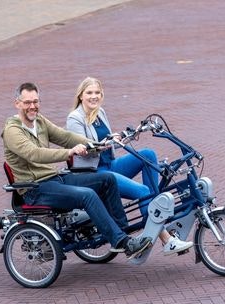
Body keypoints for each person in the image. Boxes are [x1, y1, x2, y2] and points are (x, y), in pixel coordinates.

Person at [1, 82, 152, 257]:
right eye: (27, 102)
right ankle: (122, 242)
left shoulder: (39, 121)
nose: (32, 106)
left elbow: (64, 136)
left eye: (36, 101)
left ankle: (121, 234)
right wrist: (69, 153)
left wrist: (95, 145)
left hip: (54, 179)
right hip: (35, 189)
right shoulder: (12, 131)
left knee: (107, 179)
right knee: (87, 195)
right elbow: (34, 154)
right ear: (17, 103)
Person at [66, 77, 193, 255]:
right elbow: (84, 149)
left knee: (148, 155)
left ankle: (154, 214)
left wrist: (124, 138)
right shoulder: (75, 118)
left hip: (109, 164)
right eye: (89, 93)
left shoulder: (100, 112)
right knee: (142, 191)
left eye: (97, 93)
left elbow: (110, 143)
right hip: (95, 172)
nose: (93, 96)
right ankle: (165, 239)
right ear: (80, 96)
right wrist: (105, 143)